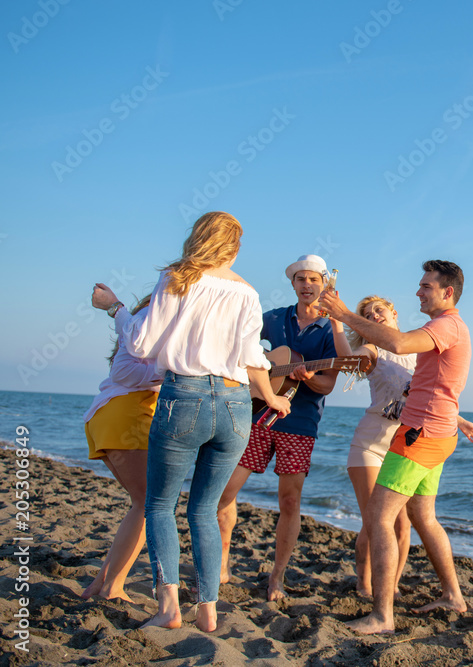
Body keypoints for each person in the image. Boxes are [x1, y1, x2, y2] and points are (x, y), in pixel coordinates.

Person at [92, 211, 290, 633]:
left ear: (197, 238)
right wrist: (271, 396)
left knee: (161, 505)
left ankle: (168, 608)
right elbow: (254, 358)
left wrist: (116, 311)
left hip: (186, 395)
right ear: (235, 247)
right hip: (236, 403)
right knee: (203, 510)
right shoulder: (248, 293)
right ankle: (209, 610)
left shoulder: (177, 277)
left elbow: (142, 344)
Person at [319, 259, 473, 635]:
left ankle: (382, 616)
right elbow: (428, 384)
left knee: (379, 519)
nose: (419, 291)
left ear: (446, 291)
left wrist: (341, 312)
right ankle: (453, 595)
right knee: (423, 517)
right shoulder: (446, 328)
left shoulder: (444, 325)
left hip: (419, 436)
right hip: (438, 434)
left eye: (425, 286)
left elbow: (400, 343)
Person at [216, 254, 339, 601]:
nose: (307, 285)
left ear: (324, 284)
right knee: (225, 492)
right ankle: (222, 562)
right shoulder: (272, 318)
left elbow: (328, 385)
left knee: (289, 501)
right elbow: (240, 346)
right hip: (256, 415)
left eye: (314, 279)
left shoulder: (331, 330)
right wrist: (259, 375)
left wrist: (308, 378)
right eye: (301, 279)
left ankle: (276, 578)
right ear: (293, 284)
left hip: (300, 423)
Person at [82, 293, 161, 602]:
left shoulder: (142, 325)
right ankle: (113, 588)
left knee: (141, 504)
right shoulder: (147, 322)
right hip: (124, 416)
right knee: (148, 506)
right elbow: (122, 373)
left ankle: (100, 584)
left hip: (112, 415)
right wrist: (171, 373)